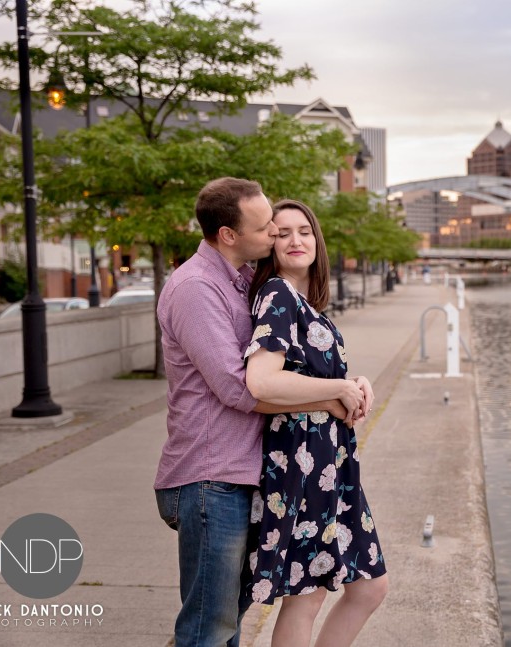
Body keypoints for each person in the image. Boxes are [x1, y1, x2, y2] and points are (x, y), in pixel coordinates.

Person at [154, 178, 350, 647]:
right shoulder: (195, 289)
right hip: (208, 479)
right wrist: (329, 398)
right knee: (209, 629)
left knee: (228, 625)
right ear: (228, 234)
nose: (275, 236)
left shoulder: (240, 280)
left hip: (240, 476)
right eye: (266, 228)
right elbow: (236, 389)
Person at [244, 199, 389, 647]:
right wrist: (336, 394)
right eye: (282, 232)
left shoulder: (307, 304)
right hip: (301, 465)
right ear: (270, 244)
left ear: (316, 239)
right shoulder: (278, 295)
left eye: (304, 231)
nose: (295, 240)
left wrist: (352, 384)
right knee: (304, 598)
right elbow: (262, 382)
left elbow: (313, 378)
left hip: (331, 465)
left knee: (368, 586)